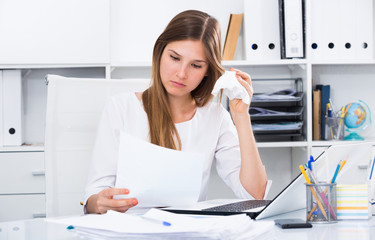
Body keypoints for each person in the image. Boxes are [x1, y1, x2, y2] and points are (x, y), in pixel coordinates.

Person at [84, 9, 268, 214]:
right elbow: (94, 197)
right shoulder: (120, 108)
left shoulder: (215, 117)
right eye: (174, 58)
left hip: (187, 231)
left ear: (207, 72)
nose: (181, 74)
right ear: (160, 52)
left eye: (196, 65)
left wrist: (242, 116)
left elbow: (255, 195)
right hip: (128, 230)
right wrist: (98, 202)